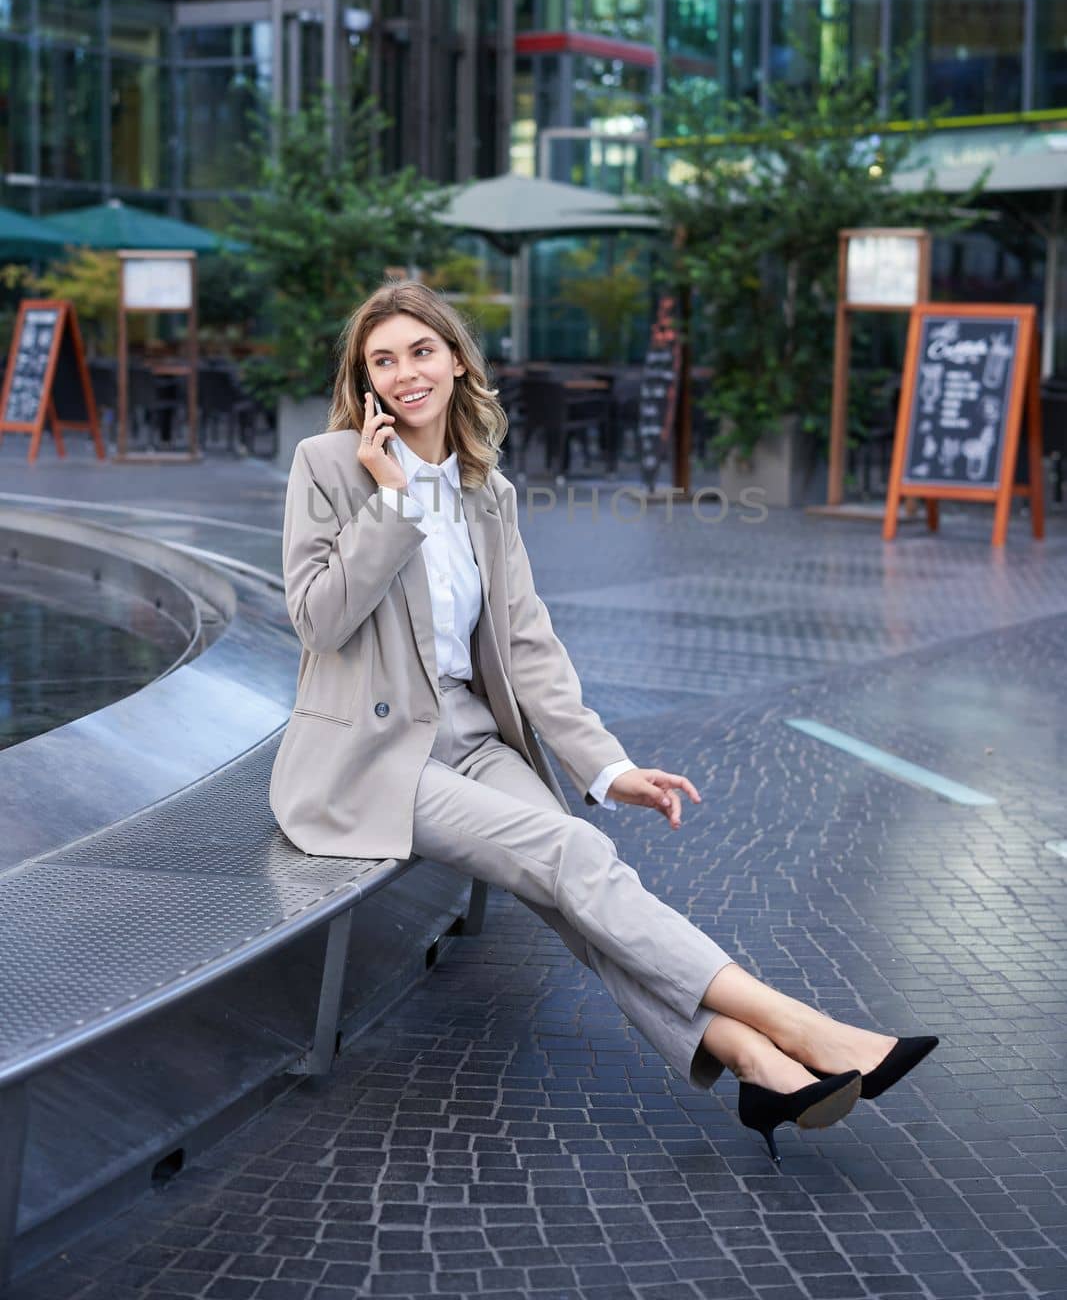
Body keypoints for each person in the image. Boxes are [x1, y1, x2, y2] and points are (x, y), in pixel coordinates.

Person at [271, 281, 938, 1165]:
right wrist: (390, 503)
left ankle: (754, 1064)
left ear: (458, 358)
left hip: (470, 738)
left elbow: (526, 642)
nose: (404, 375)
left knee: (577, 881)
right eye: (382, 361)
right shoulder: (328, 466)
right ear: (363, 382)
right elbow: (316, 619)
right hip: (371, 758)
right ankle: (800, 1029)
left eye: (420, 352)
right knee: (573, 856)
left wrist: (604, 766)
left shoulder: (485, 490)